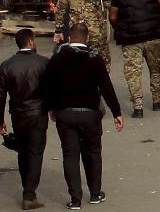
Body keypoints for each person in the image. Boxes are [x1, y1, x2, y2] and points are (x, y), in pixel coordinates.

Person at [40, 22, 124, 210]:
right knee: (93, 152)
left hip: (65, 114)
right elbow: (106, 87)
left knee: (70, 154)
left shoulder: (58, 58)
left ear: (70, 38)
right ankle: (95, 194)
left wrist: (51, 109)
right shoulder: (95, 58)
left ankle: (75, 199)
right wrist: (117, 112)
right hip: (90, 114)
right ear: (87, 39)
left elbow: (47, 86)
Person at [0, 28, 49, 210]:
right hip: (38, 113)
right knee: (36, 151)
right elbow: (50, 89)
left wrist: (0, 121)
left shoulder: (6, 66)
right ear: (30, 42)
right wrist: (52, 109)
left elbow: (1, 96)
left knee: (22, 151)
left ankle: (26, 188)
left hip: (18, 115)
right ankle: (29, 194)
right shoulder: (43, 63)